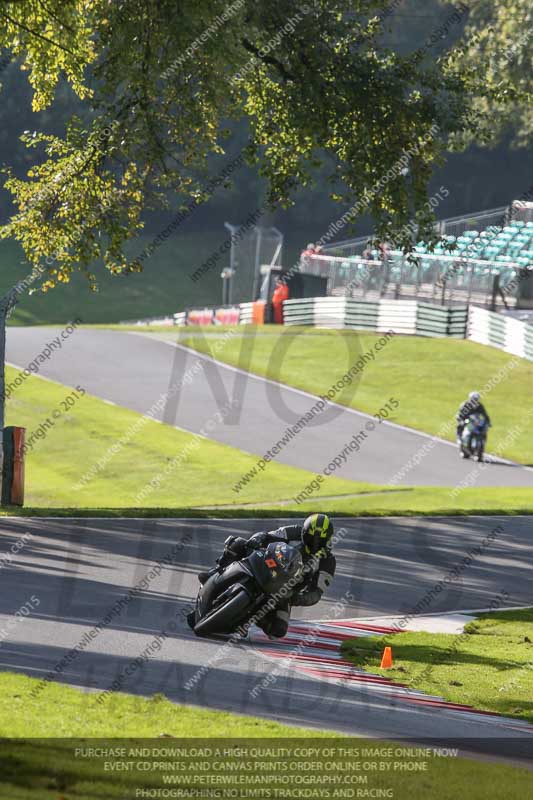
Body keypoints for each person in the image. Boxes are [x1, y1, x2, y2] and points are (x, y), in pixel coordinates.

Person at [194, 514, 336, 639]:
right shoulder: (295, 531)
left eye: (319, 541)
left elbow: (316, 593)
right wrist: (258, 538)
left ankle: (247, 619)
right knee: (238, 543)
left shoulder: (327, 562)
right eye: (311, 538)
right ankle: (216, 571)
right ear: (304, 533)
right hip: (267, 564)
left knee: (278, 630)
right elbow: (268, 535)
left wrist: (297, 598)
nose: (314, 543)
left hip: (285, 592)